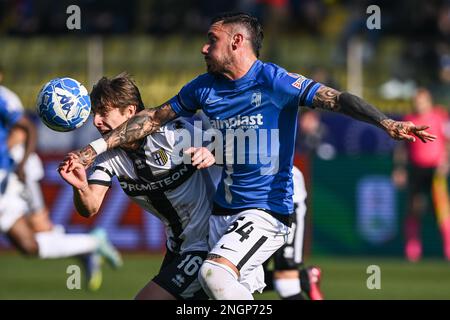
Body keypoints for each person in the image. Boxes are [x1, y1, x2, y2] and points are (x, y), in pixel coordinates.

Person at [64, 12, 436, 300]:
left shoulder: (274, 81)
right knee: (217, 290)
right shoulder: (203, 87)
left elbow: (336, 99)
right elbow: (152, 119)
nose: (203, 48)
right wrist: (90, 150)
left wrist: (384, 121)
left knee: (215, 275)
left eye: (212, 40)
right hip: (220, 215)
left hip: (265, 211)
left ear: (237, 42)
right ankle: (300, 280)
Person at [58, 73, 217, 300]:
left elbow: (233, 147)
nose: (96, 121)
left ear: (130, 112)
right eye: (95, 114)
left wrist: (211, 150)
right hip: (177, 248)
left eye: (104, 112)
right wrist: (80, 186)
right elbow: (90, 207)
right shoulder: (108, 157)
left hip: (207, 243)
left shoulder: (174, 134)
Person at [0, 69, 122, 292]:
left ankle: (90, 245)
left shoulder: (4, 98)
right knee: (29, 246)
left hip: (11, 174)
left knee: (41, 229)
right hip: (11, 176)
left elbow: (24, 130)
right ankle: (89, 245)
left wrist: (19, 163)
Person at [392, 88, 450, 261]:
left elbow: (447, 142)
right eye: (416, 101)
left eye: (422, 101)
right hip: (416, 170)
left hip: (435, 170)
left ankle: (448, 248)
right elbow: (402, 148)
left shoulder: (440, 117)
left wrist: (445, 162)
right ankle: (413, 250)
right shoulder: (409, 120)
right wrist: (400, 168)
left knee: (442, 209)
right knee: (414, 208)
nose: (419, 105)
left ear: (429, 101)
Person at [263, 166, 323, 300]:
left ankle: (300, 278)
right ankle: (304, 277)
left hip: (284, 201)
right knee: (239, 277)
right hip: (238, 203)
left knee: (286, 283)